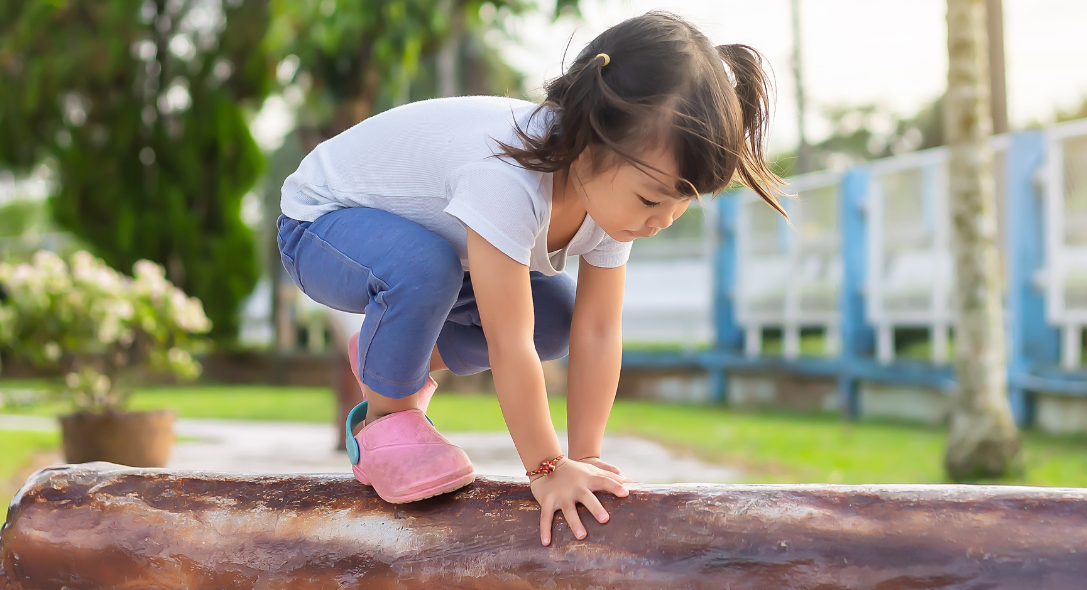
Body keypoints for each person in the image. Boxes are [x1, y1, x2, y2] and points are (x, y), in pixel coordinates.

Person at [275, 11, 785, 547]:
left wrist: (586, 460)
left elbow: (596, 333)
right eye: (652, 199)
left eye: (683, 205)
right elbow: (507, 338)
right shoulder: (507, 178)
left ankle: (389, 355)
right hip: (320, 224)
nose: (661, 221)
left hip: (425, 254)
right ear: (590, 142)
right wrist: (546, 469)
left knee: (558, 317)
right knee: (426, 268)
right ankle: (384, 423)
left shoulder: (613, 196)